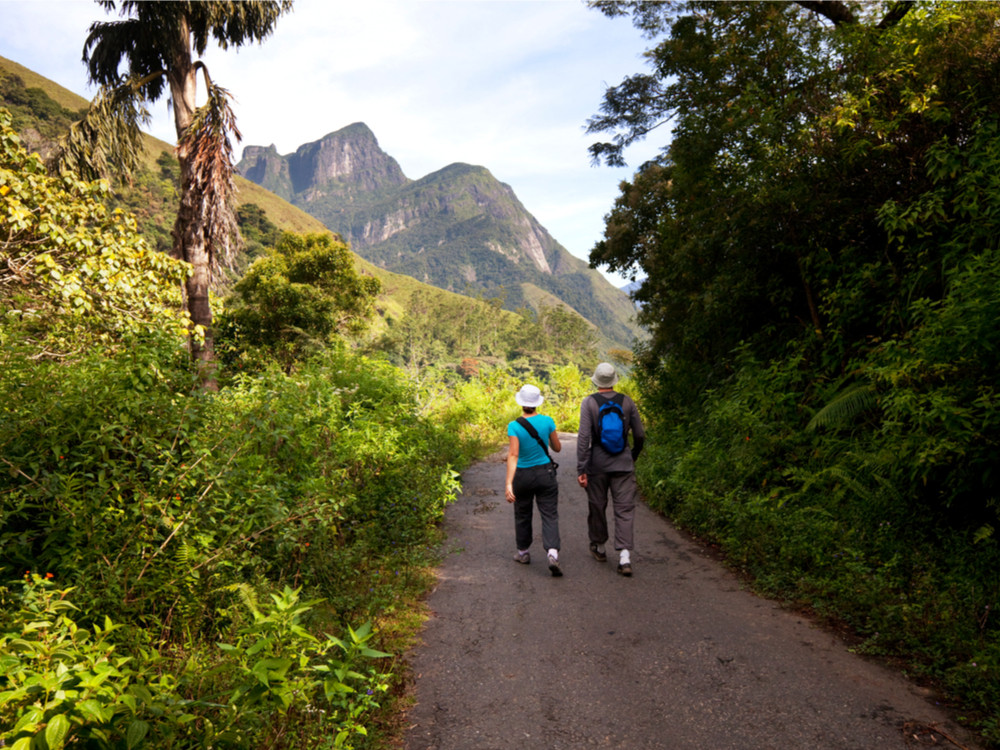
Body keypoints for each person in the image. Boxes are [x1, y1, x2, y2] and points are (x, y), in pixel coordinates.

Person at [577, 363, 645, 576]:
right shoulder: (627, 402)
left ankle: (599, 546)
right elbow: (640, 435)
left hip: (597, 465)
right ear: (615, 380)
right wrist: (632, 456)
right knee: (624, 510)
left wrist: (581, 467)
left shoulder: (589, 403)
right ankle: (624, 558)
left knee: (597, 505)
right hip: (623, 463)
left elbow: (584, 438)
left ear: (596, 381)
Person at [505, 384, 563, 576]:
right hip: (545, 473)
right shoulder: (548, 421)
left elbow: (513, 455)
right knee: (549, 513)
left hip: (523, 475)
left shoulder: (514, 426)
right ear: (537, 403)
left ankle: (523, 552)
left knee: (523, 513)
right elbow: (557, 448)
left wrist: (508, 483)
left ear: (521, 402)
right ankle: (552, 552)